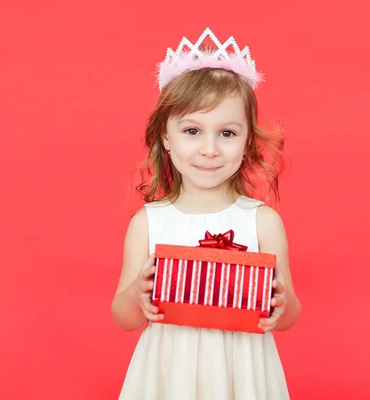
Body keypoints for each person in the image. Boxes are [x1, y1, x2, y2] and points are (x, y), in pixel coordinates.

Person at [111, 28, 302, 399]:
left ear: (247, 139)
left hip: (243, 371)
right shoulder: (148, 223)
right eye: (193, 130)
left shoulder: (262, 222)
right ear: (166, 138)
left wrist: (283, 304)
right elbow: (124, 318)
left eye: (227, 133)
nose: (210, 149)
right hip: (169, 371)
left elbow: (289, 315)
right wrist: (137, 293)